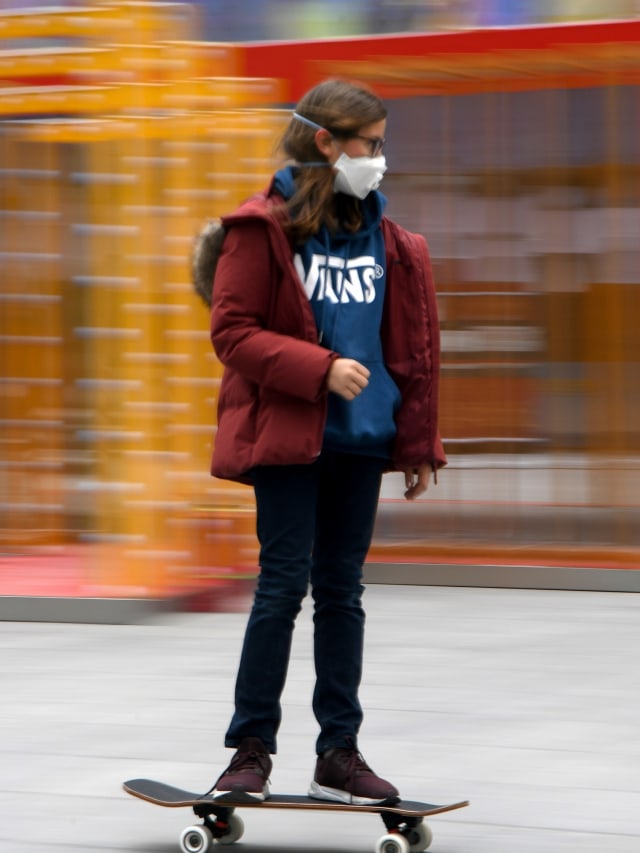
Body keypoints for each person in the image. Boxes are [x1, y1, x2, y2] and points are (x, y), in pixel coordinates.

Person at [200, 78, 446, 806]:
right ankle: (250, 748)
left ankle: (339, 752)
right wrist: (320, 369)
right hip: (290, 436)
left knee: (344, 594)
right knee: (281, 587)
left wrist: (418, 444)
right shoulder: (263, 228)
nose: (379, 158)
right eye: (370, 144)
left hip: (362, 443)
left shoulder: (391, 241)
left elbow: (414, 350)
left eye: (382, 143)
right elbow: (232, 334)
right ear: (325, 143)